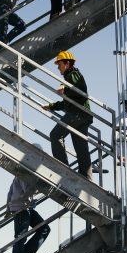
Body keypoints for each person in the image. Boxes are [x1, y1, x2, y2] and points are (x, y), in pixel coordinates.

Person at [42, 50, 93, 178]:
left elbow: (81, 90)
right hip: (83, 115)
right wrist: (51, 106)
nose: (58, 68)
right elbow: (67, 103)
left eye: (59, 65)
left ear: (67, 63)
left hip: (77, 113)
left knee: (55, 135)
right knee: (81, 148)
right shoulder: (70, 77)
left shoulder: (73, 74)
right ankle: (87, 179)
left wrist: (64, 87)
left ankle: (63, 169)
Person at [7, 170, 51, 253]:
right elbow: (27, 191)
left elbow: (10, 192)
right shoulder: (24, 173)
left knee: (44, 228)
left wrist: (8, 209)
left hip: (26, 208)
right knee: (20, 239)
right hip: (21, 209)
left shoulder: (24, 173)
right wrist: (42, 186)